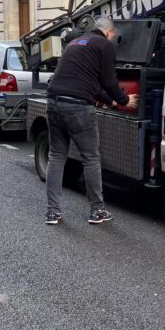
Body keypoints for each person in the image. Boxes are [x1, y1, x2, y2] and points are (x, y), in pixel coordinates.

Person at [44, 16, 139, 226]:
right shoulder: (104, 45)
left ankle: (52, 212)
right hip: (77, 107)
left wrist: (111, 103)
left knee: (57, 156)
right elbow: (109, 81)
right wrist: (124, 100)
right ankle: (97, 211)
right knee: (91, 158)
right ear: (108, 32)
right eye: (113, 35)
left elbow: (94, 85)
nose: (113, 38)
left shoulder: (75, 43)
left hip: (53, 102)